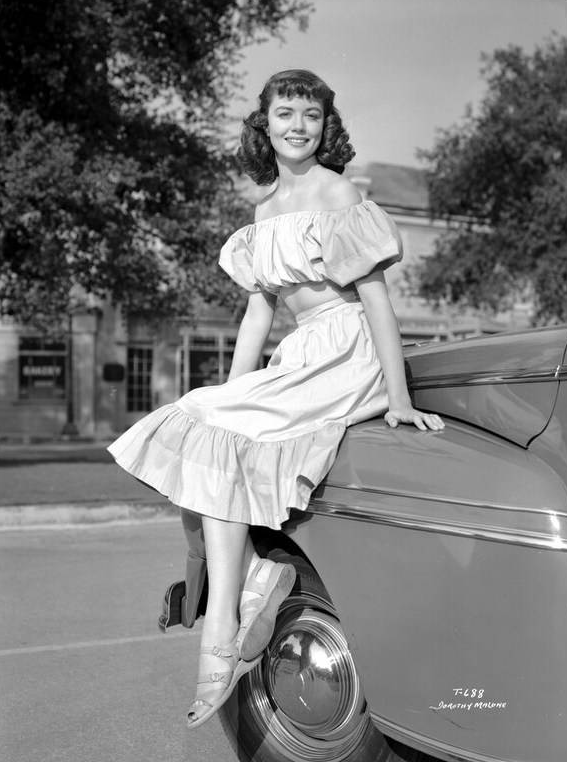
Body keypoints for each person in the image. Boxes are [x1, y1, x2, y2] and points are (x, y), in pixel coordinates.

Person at [107, 68, 444, 729]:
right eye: (285, 113)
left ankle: (224, 629)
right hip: (302, 355)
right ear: (264, 123)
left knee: (210, 432)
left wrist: (397, 394)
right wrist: (235, 392)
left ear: (326, 126)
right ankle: (250, 585)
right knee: (200, 426)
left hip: (349, 352)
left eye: (311, 116)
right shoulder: (262, 210)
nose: (298, 126)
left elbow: (376, 299)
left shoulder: (337, 190)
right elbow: (259, 317)